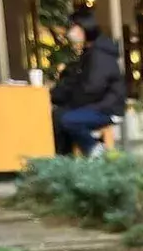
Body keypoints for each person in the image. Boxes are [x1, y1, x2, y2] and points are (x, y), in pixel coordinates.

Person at [51, 8, 125, 156]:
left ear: (85, 27)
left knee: (66, 119)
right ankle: (66, 158)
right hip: (96, 105)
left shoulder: (100, 54)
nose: (70, 32)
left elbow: (93, 88)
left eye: (74, 27)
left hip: (106, 109)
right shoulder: (90, 52)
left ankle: (95, 149)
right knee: (58, 115)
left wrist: (70, 102)